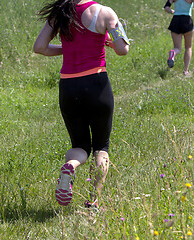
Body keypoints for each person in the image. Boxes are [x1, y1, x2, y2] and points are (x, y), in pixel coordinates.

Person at [33, 0, 129, 208]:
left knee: (79, 145)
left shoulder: (60, 13)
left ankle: (70, 165)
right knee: (101, 147)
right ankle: (94, 201)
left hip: (69, 87)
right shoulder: (104, 12)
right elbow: (123, 50)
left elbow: (39, 47)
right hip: (97, 84)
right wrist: (116, 40)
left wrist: (67, 49)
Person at [164, 0, 194, 76]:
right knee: (188, 47)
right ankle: (185, 71)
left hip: (175, 21)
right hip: (187, 20)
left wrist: (173, 11)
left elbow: (166, 8)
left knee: (177, 48)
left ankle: (173, 53)